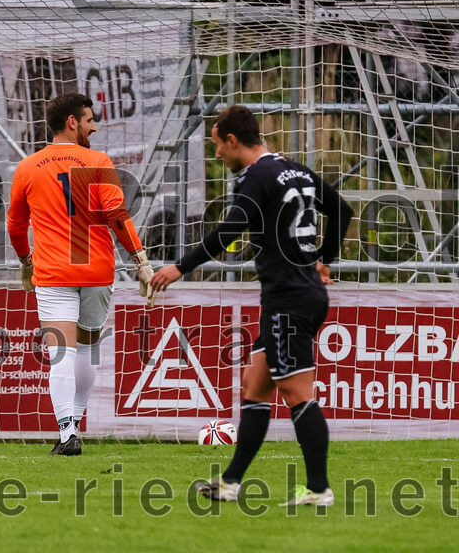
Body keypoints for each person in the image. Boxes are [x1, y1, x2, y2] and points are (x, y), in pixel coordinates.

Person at [150, 105, 353, 507]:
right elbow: (342, 210)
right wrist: (325, 260)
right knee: (254, 386)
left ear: (231, 139)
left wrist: (180, 267)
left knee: (297, 393)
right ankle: (229, 483)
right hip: (301, 294)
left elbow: (228, 232)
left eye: (217, 147)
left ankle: (319, 489)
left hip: (288, 301)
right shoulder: (295, 170)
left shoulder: (255, 177)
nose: (217, 156)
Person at [7, 92, 155, 456]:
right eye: (89, 120)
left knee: (61, 354)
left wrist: (26, 260)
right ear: (72, 122)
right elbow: (116, 217)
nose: (94, 125)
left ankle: (66, 433)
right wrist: (141, 261)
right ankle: (73, 423)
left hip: (54, 272)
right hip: (96, 270)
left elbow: (14, 225)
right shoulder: (98, 161)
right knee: (87, 351)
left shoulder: (28, 167)